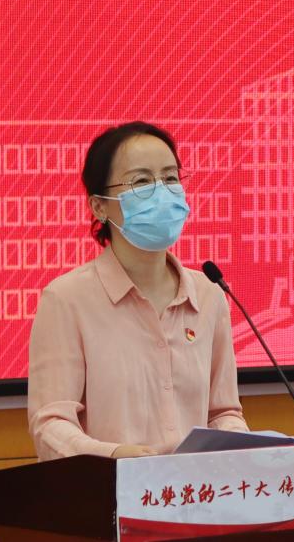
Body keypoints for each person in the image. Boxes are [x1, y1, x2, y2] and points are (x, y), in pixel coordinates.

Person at [27, 120, 249, 459]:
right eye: (141, 181)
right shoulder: (67, 300)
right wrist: (114, 456)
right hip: (110, 486)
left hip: (193, 490)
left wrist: (242, 443)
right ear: (99, 206)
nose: (162, 192)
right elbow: (51, 425)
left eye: (170, 178)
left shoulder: (209, 294)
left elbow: (223, 412)